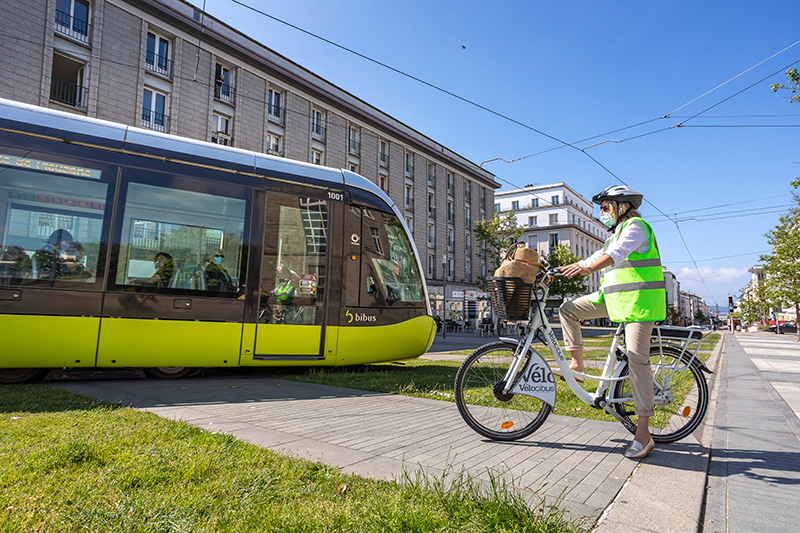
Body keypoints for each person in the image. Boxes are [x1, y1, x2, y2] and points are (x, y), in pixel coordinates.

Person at [558, 185, 666, 460]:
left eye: (605, 208)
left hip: (639, 305)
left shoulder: (637, 227)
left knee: (636, 359)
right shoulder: (615, 234)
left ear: (622, 207)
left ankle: (644, 434)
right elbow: (596, 256)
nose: (601, 213)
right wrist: (565, 270)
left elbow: (614, 255)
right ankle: (577, 365)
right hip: (613, 300)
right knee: (567, 309)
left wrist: (587, 268)